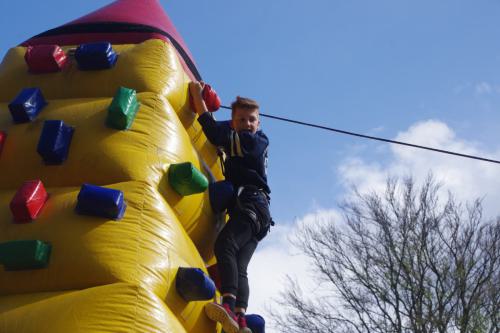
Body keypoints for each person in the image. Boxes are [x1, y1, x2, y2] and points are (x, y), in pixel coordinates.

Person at [189, 81, 273, 333]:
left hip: (251, 204)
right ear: (234, 122)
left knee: (225, 245)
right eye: (242, 120)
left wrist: (197, 97)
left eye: (252, 120)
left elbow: (215, 133)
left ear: (258, 124)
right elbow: (222, 132)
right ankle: (240, 320)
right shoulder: (242, 139)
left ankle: (227, 304)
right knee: (239, 265)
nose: (248, 124)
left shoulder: (254, 141)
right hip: (257, 212)